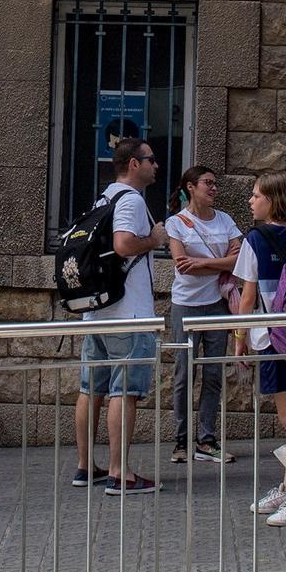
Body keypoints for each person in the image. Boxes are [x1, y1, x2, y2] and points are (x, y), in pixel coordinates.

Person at [72, 138, 162, 496]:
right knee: (124, 392)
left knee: (90, 389)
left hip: (97, 310)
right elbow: (124, 244)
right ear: (134, 164)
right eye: (151, 159)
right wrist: (154, 239)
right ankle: (119, 473)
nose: (156, 165)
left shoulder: (103, 197)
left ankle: (84, 468)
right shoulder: (132, 200)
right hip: (129, 312)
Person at [231, 172, 286, 527]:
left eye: (256, 195)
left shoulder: (255, 239)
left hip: (273, 338)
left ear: (271, 199)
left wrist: (239, 339)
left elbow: (247, 297)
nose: (251, 201)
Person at [165, 165, 241, 465]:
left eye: (214, 184)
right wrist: (221, 263)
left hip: (217, 305)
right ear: (190, 187)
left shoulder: (225, 220)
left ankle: (206, 440)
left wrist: (202, 264)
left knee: (212, 374)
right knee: (184, 372)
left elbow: (238, 261)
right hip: (185, 304)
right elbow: (181, 263)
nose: (213, 188)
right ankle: (181, 440)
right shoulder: (176, 222)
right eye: (207, 183)